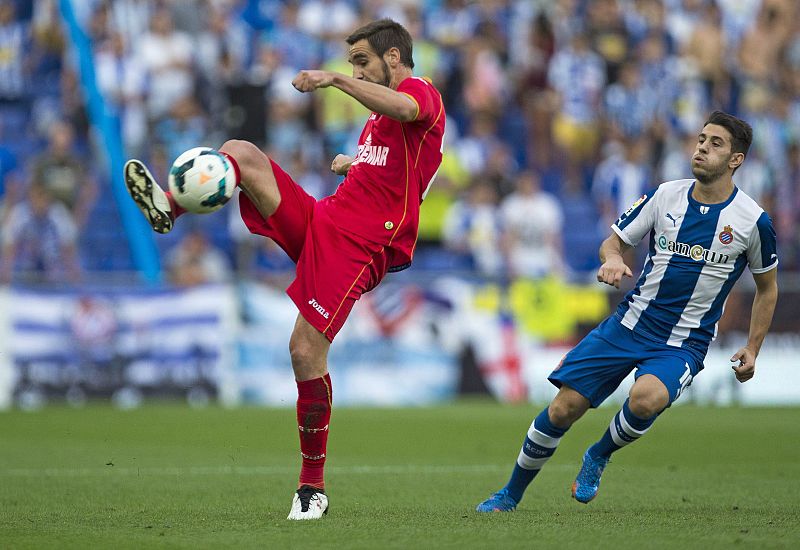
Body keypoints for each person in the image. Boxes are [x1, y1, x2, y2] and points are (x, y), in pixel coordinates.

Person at [122, 19, 445, 520]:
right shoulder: (375, 126)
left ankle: (311, 487)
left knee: (302, 351)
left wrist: (335, 80)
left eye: (362, 61)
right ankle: (170, 207)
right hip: (326, 220)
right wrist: (352, 165)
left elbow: (406, 111)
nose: (354, 69)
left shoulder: (420, 93)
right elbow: (394, 170)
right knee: (242, 153)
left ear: (395, 59)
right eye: (351, 63)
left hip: (362, 245)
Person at [476, 111, 778, 512]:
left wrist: (754, 348)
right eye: (701, 139)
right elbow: (612, 242)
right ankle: (509, 495)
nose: (703, 147)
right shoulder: (665, 195)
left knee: (645, 399)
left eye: (716, 143)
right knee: (564, 408)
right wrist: (613, 259)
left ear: (736, 160)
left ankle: (598, 454)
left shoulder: (752, 221)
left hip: (684, 342)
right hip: (629, 324)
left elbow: (767, 288)